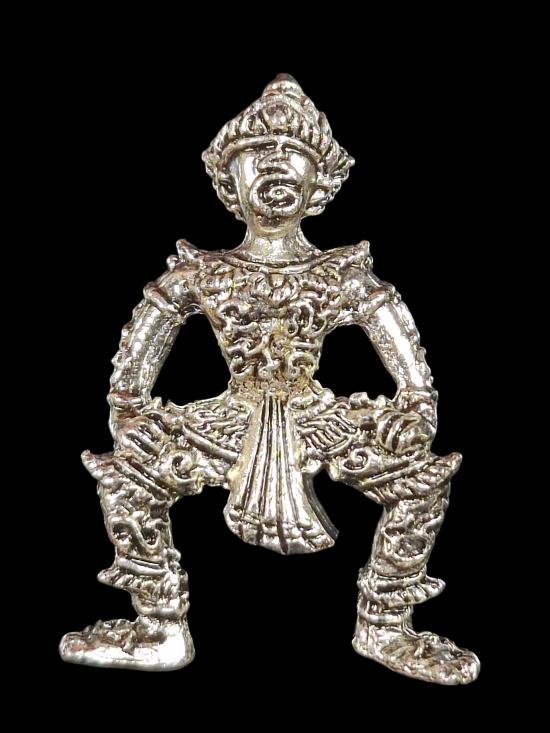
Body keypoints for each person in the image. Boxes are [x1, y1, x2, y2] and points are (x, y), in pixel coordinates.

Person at [59, 74, 480, 684]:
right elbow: (133, 370)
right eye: (259, 152)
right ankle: (159, 625)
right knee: (126, 475)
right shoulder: (203, 272)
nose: (277, 162)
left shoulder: (342, 274)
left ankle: (386, 623)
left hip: (316, 417)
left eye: (294, 152)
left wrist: (410, 415)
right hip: (229, 418)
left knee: (420, 479)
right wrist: (131, 416)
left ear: (320, 183)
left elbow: (415, 383)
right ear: (229, 181)